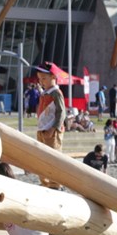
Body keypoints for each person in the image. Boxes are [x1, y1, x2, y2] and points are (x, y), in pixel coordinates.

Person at [33, 62, 65, 190]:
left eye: (44, 79)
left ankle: (55, 183)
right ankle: (45, 182)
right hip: (42, 129)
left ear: (53, 77)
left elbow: (61, 112)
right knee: (41, 157)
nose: (41, 82)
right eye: (40, 79)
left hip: (52, 131)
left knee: (53, 158)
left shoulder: (56, 93)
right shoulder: (46, 92)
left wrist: (54, 128)